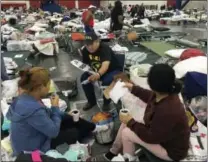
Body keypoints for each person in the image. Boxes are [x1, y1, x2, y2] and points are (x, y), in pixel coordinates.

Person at [88, 64, 190, 162]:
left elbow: (151, 137)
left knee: (127, 132)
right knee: (126, 122)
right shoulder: (167, 93)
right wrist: (132, 88)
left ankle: (128, 158)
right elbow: (149, 96)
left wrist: (131, 122)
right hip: (163, 137)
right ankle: (112, 153)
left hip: (171, 151)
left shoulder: (167, 110)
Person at [6, 67, 108, 156]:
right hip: (34, 148)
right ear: (40, 87)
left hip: (36, 134)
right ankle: (89, 130)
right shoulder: (32, 109)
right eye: (49, 84)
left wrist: (63, 114)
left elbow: (45, 114)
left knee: (70, 117)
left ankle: (94, 128)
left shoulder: (25, 98)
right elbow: (53, 132)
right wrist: (55, 107)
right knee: (74, 132)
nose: (50, 87)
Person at [80, 32, 122, 111]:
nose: (89, 47)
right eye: (87, 45)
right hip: (96, 70)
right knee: (84, 78)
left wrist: (98, 74)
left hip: (112, 70)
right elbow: (85, 64)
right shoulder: (85, 50)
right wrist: (89, 71)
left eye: (91, 44)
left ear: (97, 41)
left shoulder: (104, 48)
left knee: (106, 81)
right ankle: (91, 101)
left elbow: (105, 65)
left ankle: (106, 102)